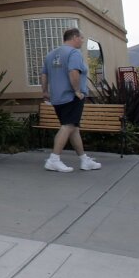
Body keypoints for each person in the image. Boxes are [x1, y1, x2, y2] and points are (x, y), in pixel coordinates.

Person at [40, 28, 102, 172]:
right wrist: (77, 91)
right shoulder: (74, 53)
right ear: (74, 37)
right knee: (68, 126)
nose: (82, 40)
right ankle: (53, 159)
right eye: (81, 37)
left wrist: (44, 92)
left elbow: (44, 75)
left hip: (57, 98)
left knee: (74, 129)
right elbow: (73, 72)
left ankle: (84, 160)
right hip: (71, 97)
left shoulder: (51, 54)